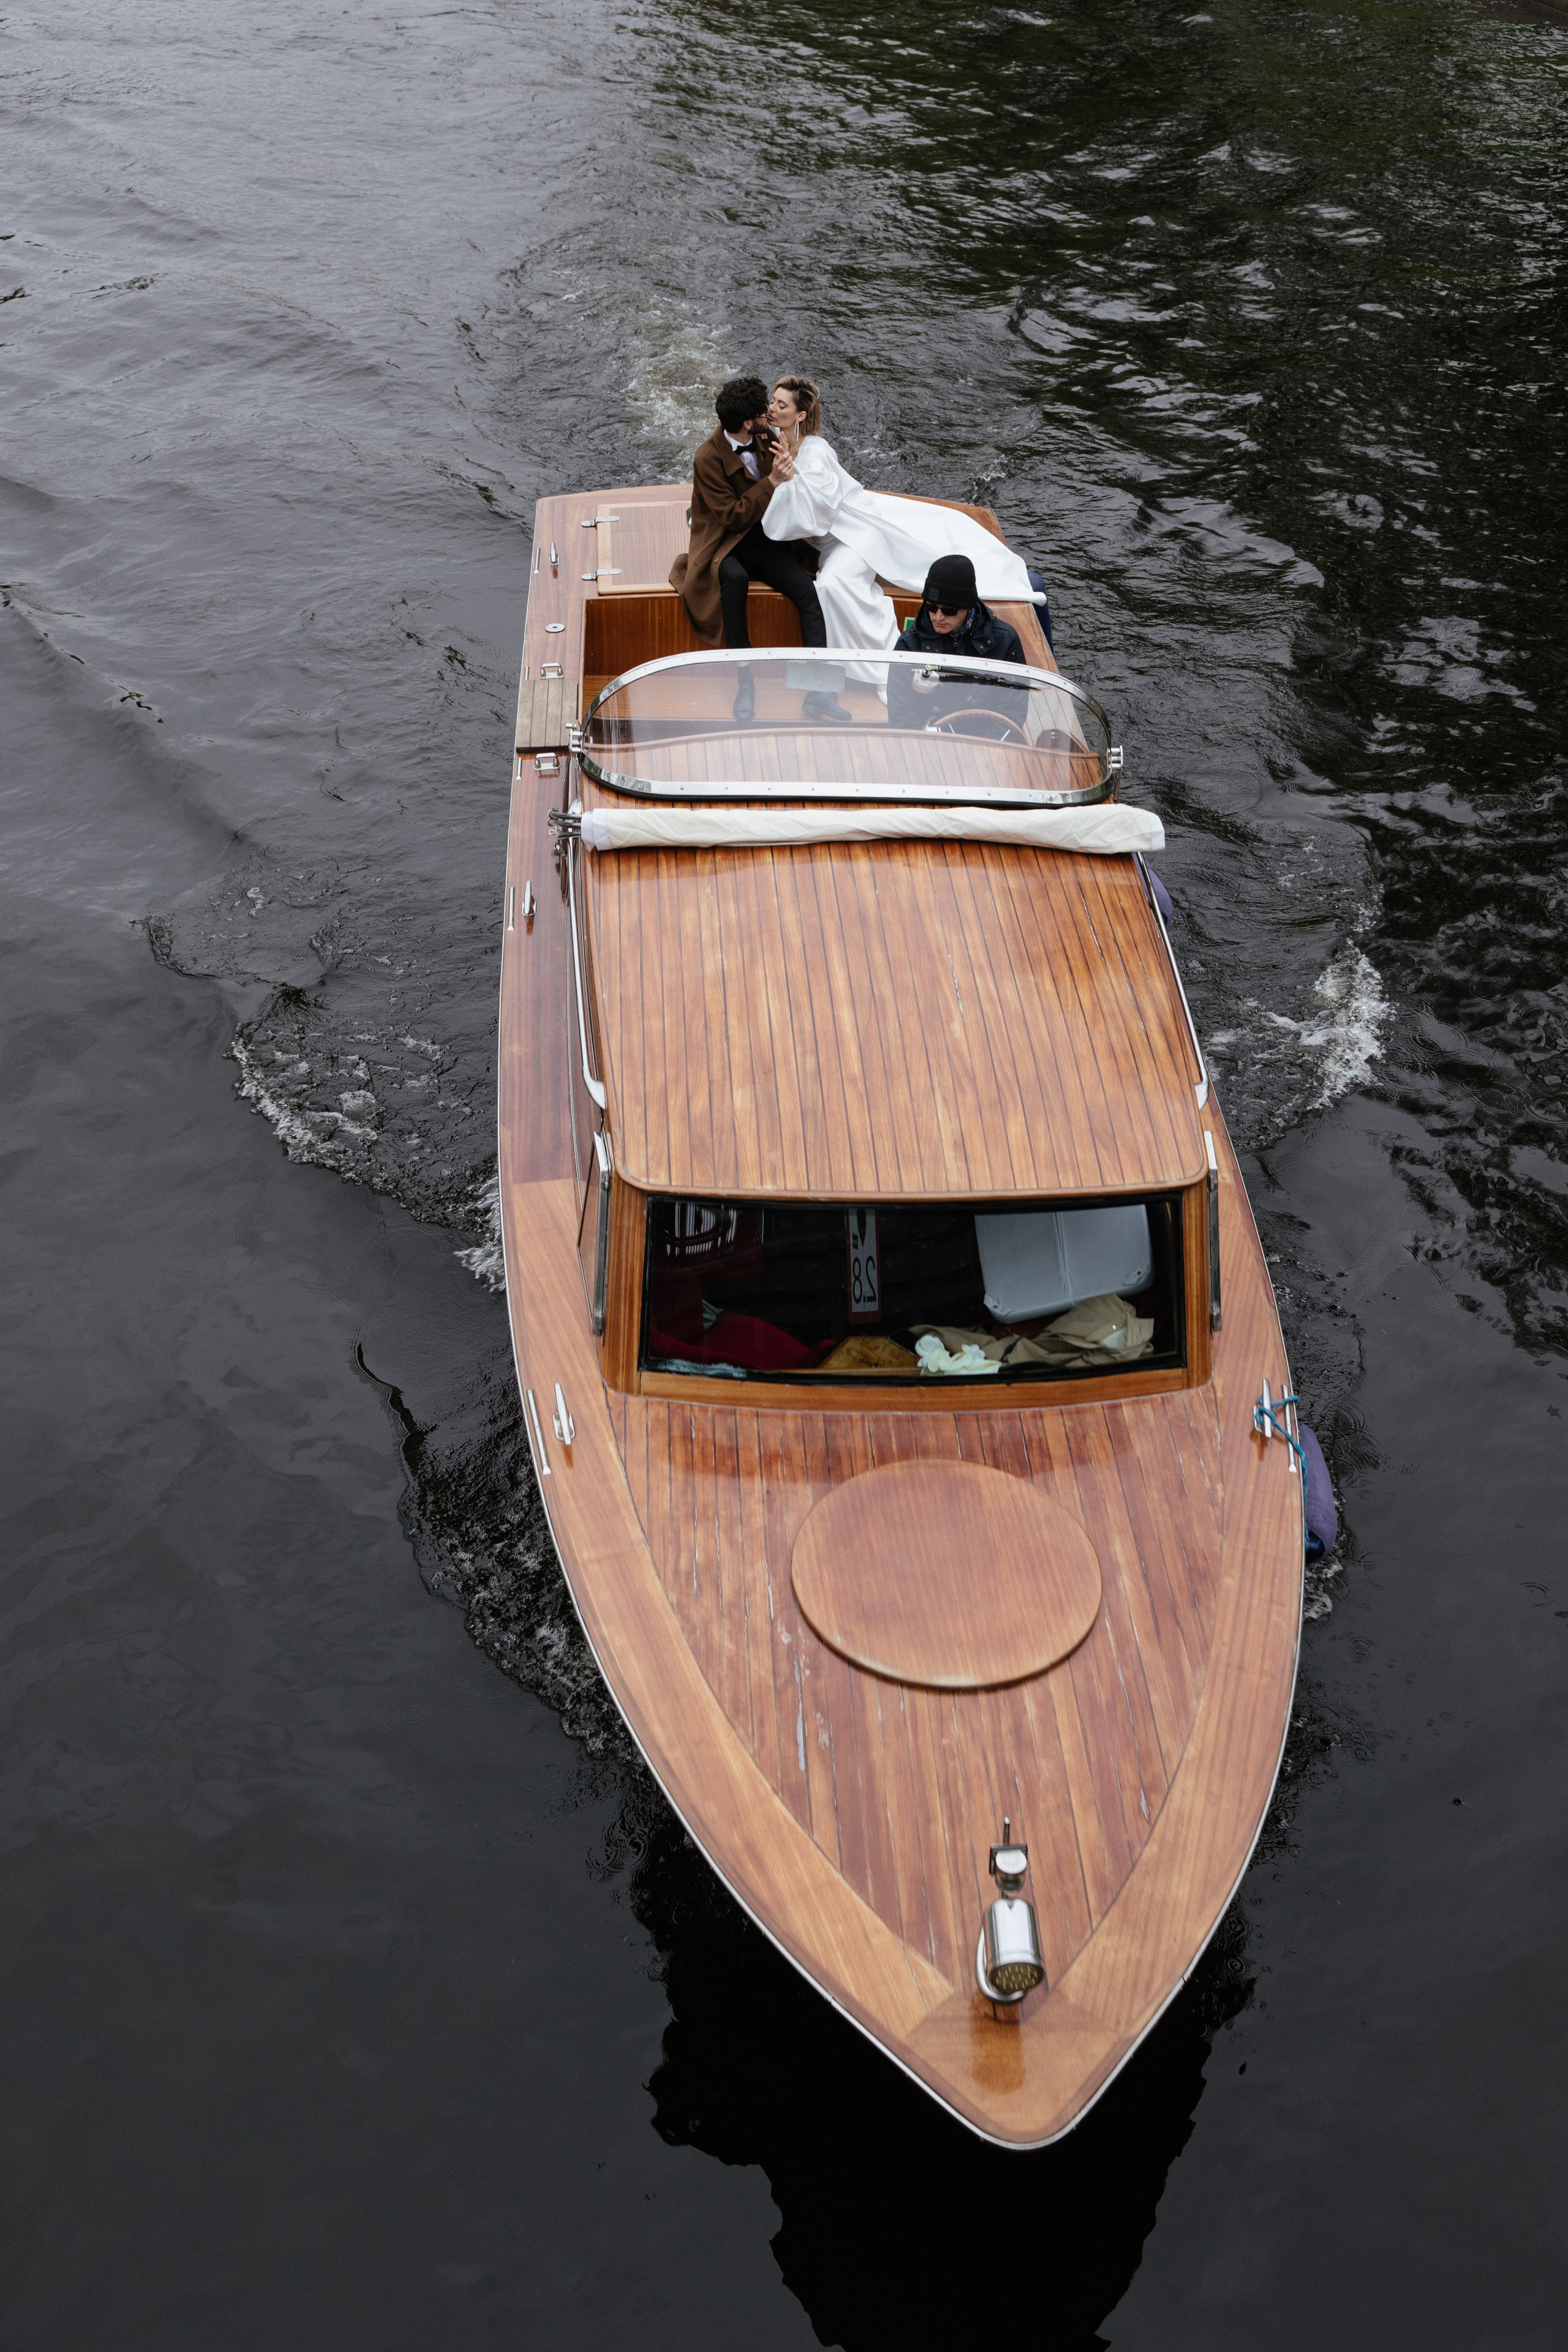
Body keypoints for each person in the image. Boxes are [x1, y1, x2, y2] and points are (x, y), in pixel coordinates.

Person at [758, 377, 1041, 669]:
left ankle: (887, 664)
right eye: (772, 401)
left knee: (832, 585)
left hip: (854, 538)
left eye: (782, 405)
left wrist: (791, 477)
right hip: (829, 543)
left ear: (801, 415)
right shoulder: (777, 438)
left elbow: (820, 509)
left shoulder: (817, 452)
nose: (772, 409)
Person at [669, 375, 846, 723]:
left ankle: (819, 692)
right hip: (725, 543)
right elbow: (732, 517)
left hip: (764, 540)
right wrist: (773, 481)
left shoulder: (768, 437)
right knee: (733, 581)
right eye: (764, 411)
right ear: (748, 423)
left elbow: (793, 480)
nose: (770, 413)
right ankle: (745, 681)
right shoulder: (707, 457)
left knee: (808, 593)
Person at [884, 553, 1027, 733]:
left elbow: (1013, 712)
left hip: (986, 745)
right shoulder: (909, 645)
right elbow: (902, 719)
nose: (938, 617)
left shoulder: (1006, 641)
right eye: (931, 607)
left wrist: (986, 748)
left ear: (968, 607)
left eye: (949, 611)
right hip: (929, 742)